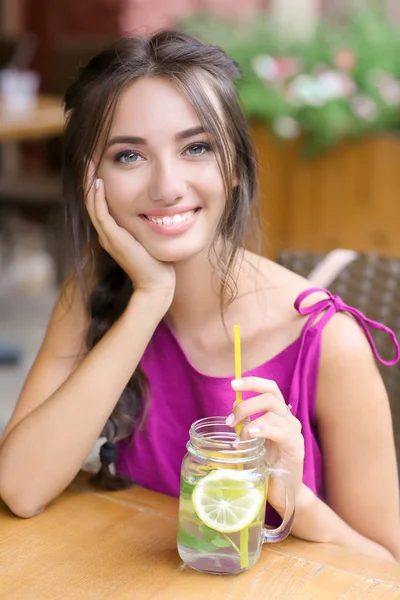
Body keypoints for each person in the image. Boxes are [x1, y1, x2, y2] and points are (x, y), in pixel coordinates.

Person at [0, 30, 399, 562]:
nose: (167, 185)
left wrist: (291, 497)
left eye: (196, 148)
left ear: (233, 165)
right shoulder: (96, 293)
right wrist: (148, 300)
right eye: (128, 157)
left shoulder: (327, 342)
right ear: (91, 182)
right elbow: (21, 489)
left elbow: (387, 568)